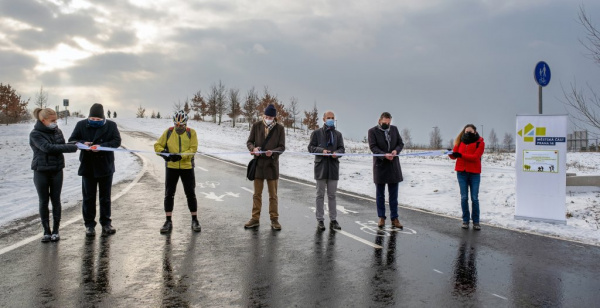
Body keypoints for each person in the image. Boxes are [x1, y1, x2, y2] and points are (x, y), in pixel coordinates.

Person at [69, 103, 121, 237]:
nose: (95, 121)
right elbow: (72, 141)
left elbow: (116, 142)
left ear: (103, 118)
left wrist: (102, 146)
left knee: (105, 197)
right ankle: (89, 225)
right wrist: (83, 144)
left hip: (105, 166)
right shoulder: (81, 125)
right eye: (92, 119)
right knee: (88, 197)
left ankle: (106, 223)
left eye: (98, 120)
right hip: (88, 166)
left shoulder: (111, 125)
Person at [29, 108, 78, 242]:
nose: (55, 123)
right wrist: (71, 148)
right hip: (41, 171)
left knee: (56, 200)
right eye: (52, 120)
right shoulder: (35, 134)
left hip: (57, 170)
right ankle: (46, 231)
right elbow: (48, 148)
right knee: (43, 201)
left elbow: (61, 146)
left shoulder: (57, 131)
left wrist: (77, 144)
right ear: (43, 120)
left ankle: (56, 230)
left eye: (56, 120)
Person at [154, 110, 200, 234]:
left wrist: (181, 156)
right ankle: (168, 221)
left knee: (190, 193)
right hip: (171, 167)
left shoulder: (191, 133)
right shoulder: (169, 132)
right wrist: (165, 154)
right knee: (169, 193)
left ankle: (194, 219)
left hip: (187, 167)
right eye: (176, 125)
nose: (178, 127)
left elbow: (193, 149)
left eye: (181, 125)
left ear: (186, 124)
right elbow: (157, 146)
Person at [244, 104, 285, 230]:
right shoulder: (256, 126)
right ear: (263, 115)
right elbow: (249, 142)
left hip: (272, 166)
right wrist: (253, 148)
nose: (268, 118)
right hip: (259, 166)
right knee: (257, 194)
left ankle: (274, 219)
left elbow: (282, 147)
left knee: (273, 195)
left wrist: (273, 152)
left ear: (274, 117)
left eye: (270, 117)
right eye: (266, 116)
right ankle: (255, 218)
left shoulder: (280, 128)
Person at [308, 110, 345, 230]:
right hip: (321, 167)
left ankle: (333, 220)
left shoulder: (338, 134)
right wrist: (321, 151)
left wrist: (336, 153)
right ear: (323, 119)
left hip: (333, 168)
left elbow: (342, 149)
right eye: (328, 117)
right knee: (320, 195)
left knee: (332, 195)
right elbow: (311, 148)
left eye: (332, 117)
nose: (330, 119)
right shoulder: (316, 133)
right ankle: (320, 220)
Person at [368, 112, 404, 229]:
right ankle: (381, 217)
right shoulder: (372, 131)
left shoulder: (394, 129)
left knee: (394, 195)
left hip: (393, 166)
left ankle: (395, 218)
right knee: (380, 195)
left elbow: (400, 143)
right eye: (385, 123)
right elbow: (373, 147)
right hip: (380, 166)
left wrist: (395, 151)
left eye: (389, 123)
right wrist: (384, 155)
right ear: (380, 121)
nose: (387, 125)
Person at [449, 124, 485, 230]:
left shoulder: (480, 142)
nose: (468, 133)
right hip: (461, 173)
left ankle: (476, 221)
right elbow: (454, 156)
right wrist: (450, 153)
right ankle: (465, 220)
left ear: (475, 132)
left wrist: (461, 155)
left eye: (470, 131)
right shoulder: (460, 141)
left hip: (474, 173)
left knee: (474, 198)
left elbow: (475, 157)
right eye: (466, 131)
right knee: (464, 197)